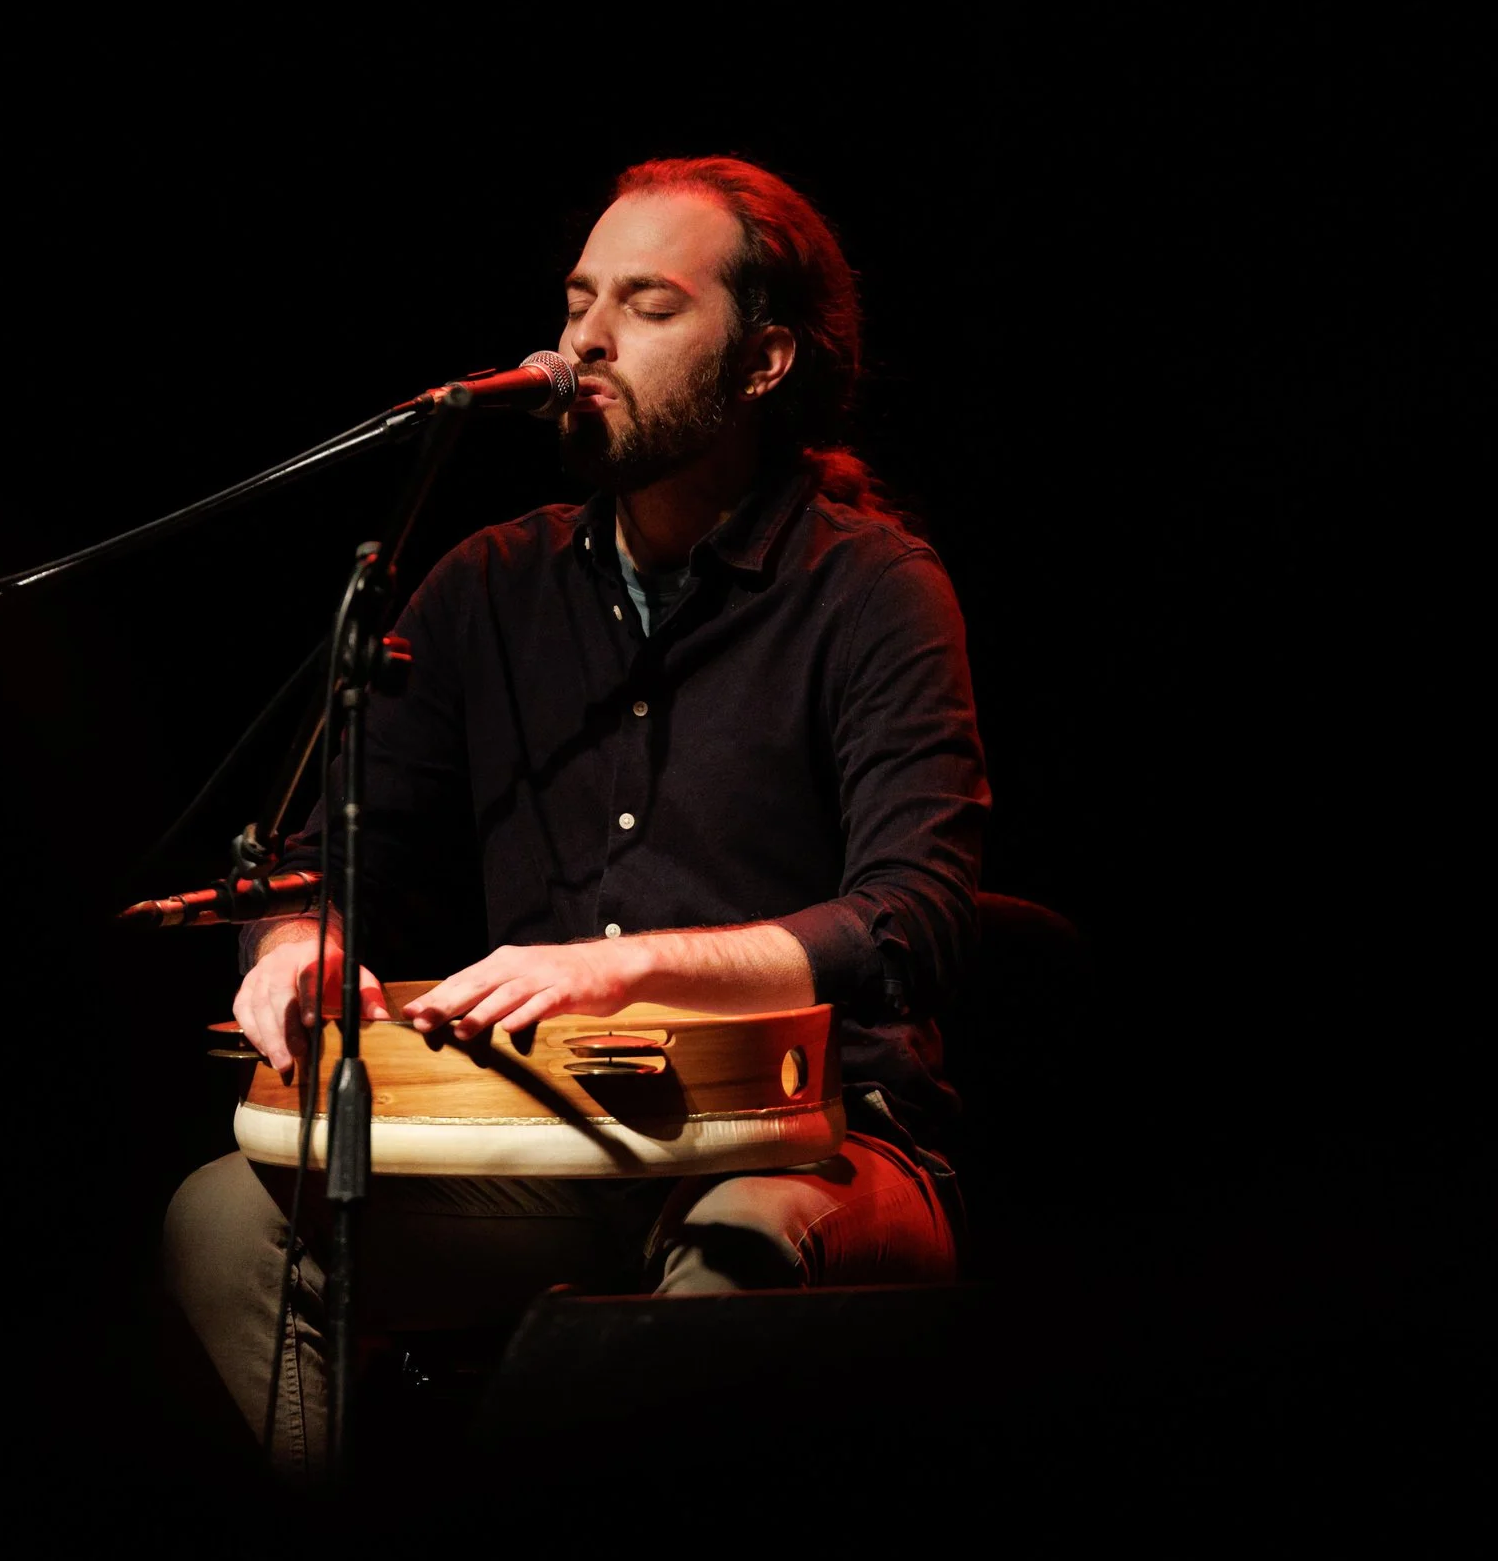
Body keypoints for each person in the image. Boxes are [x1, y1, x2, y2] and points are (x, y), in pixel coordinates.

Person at [162, 157, 990, 1479]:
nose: (584, 339)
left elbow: (919, 913)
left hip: (818, 1139)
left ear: (765, 361)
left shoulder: (872, 589)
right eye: (578, 298)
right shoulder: (486, 584)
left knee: (742, 1246)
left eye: (650, 305)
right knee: (227, 1217)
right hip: (560, 1145)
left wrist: (631, 964)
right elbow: (320, 865)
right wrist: (295, 950)